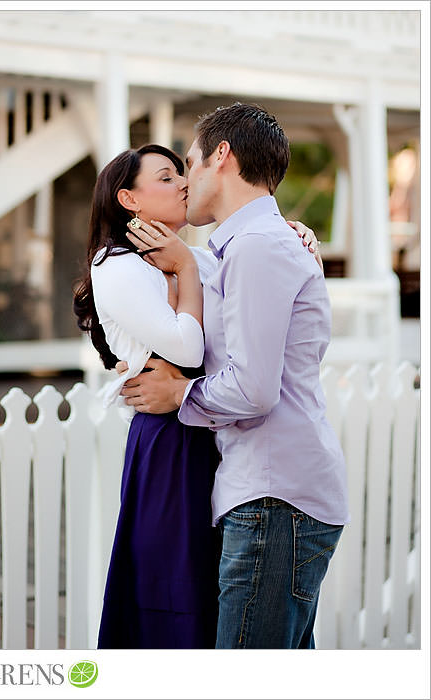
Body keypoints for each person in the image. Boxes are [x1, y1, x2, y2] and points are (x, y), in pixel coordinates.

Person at [73, 144, 319, 649]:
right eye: (166, 177)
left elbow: (241, 310)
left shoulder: (195, 256)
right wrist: (184, 269)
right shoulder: (117, 263)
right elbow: (187, 342)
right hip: (169, 437)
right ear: (129, 199)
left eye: (182, 172)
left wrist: (292, 232)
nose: (184, 183)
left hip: (205, 425)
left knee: (214, 591)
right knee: (173, 584)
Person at [121, 103, 348, 649]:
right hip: (274, 493)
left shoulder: (258, 247)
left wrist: (179, 394)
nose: (186, 181)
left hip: (274, 497)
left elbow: (253, 388)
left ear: (222, 156)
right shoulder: (249, 246)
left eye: (191, 163)